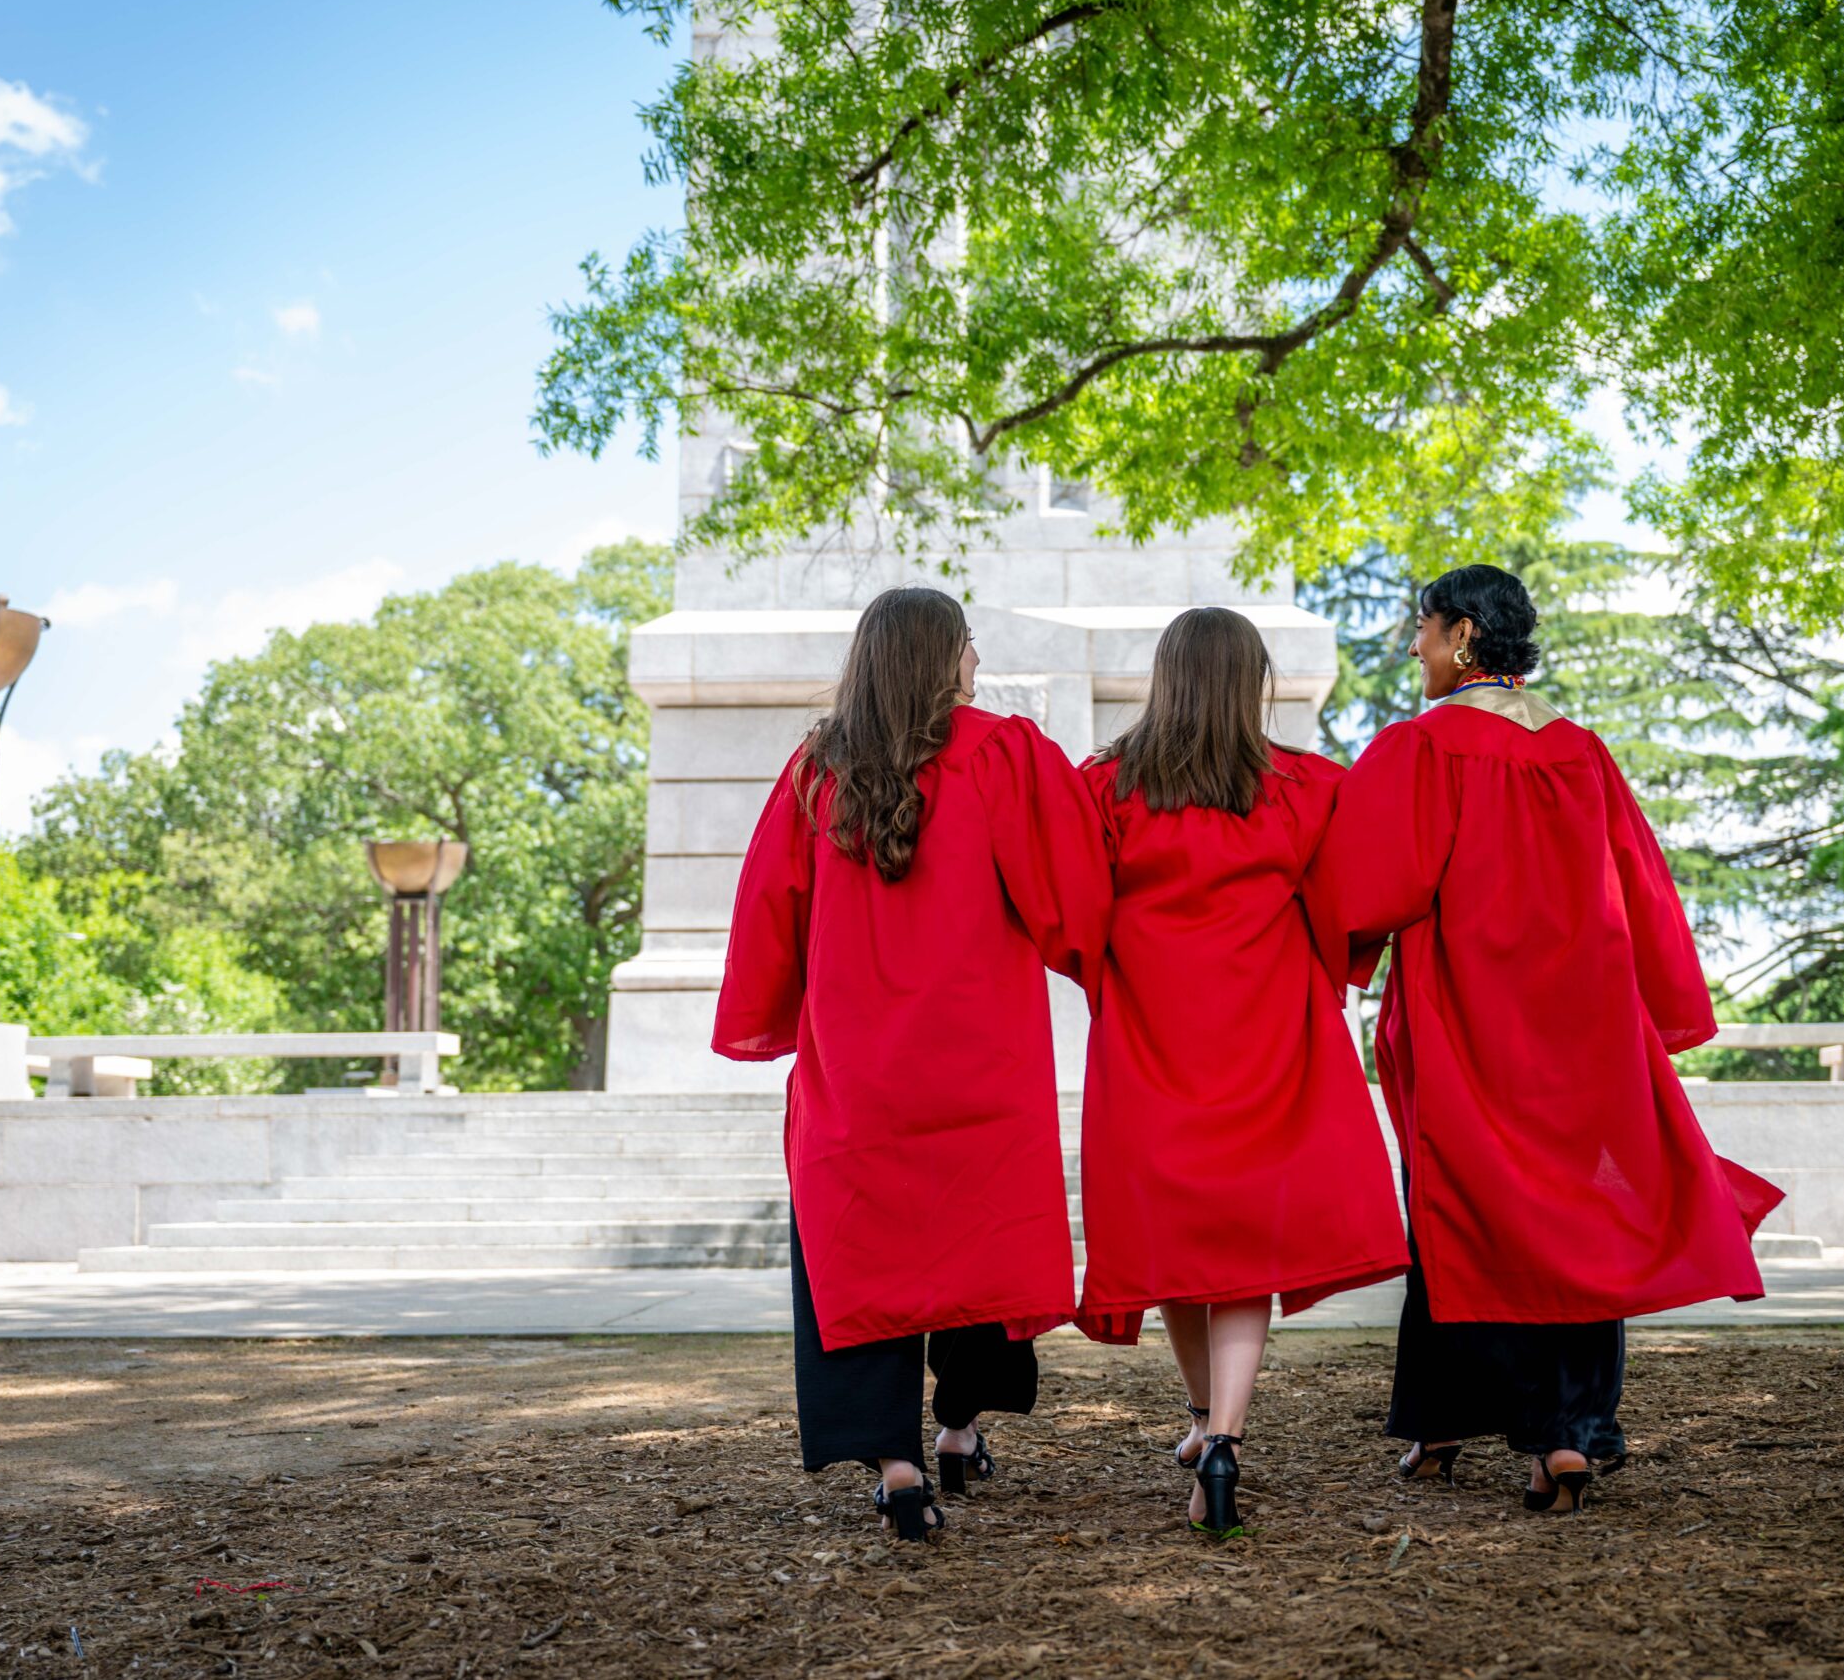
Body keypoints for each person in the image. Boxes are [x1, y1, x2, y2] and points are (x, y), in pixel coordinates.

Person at [1306, 563, 1782, 1514]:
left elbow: (1368, 891)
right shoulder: (1580, 752)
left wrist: (1328, 951)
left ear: (1466, 636)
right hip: (1587, 1029)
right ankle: (1566, 1436)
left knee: (1461, 1211)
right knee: (1584, 1219)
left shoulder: (1422, 748)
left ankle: (1467, 1428)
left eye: (1426, 630)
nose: (1414, 647)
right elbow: (1642, 890)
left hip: (1471, 1024)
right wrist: (1657, 1005)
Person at [713, 586, 1112, 1540]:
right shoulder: (1006, 753)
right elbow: (1074, 899)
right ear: (946, 659)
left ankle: (897, 1467)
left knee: (864, 1258)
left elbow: (770, 914)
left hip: (858, 1073)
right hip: (981, 1069)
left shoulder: (817, 770)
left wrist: (773, 1019)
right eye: (970, 644)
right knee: (977, 1250)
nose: (977, 661)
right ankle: (962, 1428)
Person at [1074, 607, 1407, 1537]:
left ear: (1166, 676)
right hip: (1265, 1038)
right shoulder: (1305, 786)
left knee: (1175, 1244)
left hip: (1149, 1039)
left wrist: (1108, 970)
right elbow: (1351, 909)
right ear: (1252, 681)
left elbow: (1072, 909)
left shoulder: (1103, 786)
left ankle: (1199, 1420)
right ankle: (1222, 1435)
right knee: (1242, 1257)